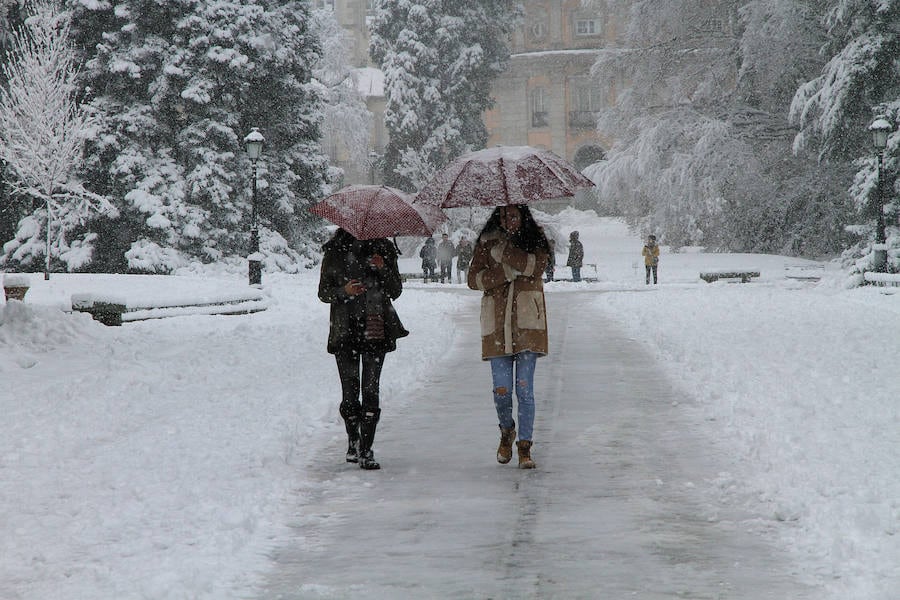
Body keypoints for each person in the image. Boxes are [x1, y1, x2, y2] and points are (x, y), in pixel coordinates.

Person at [318, 228, 409, 470]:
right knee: (349, 394)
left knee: (371, 391)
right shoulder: (335, 251)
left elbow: (395, 290)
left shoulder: (384, 249)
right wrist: (344, 291)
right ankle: (353, 440)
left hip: (375, 328)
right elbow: (323, 292)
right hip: (345, 329)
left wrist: (383, 268)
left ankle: (367, 449)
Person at [467, 205, 550, 469]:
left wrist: (506, 254)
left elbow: (535, 267)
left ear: (522, 216)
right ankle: (506, 430)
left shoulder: (536, 238)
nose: (508, 220)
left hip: (527, 325)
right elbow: (473, 280)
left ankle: (525, 446)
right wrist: (502, 273)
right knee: (502, 391)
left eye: (513, 215)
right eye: (503, 215)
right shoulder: (486, 241)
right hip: (497, 327)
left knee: (524, 389)